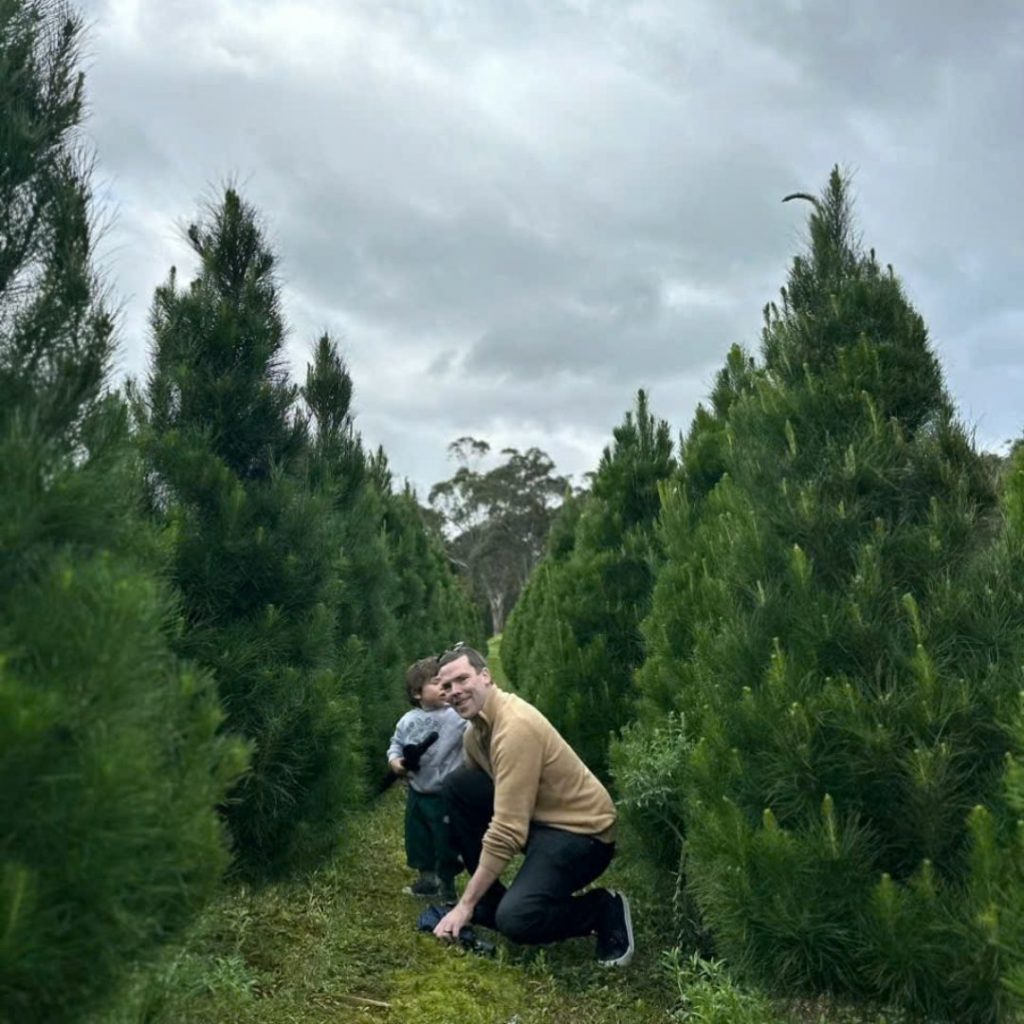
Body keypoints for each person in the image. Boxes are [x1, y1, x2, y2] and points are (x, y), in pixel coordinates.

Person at [431, 645, 634, 967]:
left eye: (462, 679)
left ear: (486, 676)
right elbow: (475, 803)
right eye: (446, 686)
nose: (455, 691)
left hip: (583, 834)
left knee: (517, 919)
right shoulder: (475, 734)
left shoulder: (514, 728)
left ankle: (600, 908)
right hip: (541, 822)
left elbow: (507, 829)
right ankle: (490, 898)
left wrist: (464, 905)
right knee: (458, 786)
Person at [387, 656, 467, 903]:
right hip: (418, 792)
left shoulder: (457, 716)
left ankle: (448, 886)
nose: (444, 688)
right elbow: (395, 746)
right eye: (436, 683)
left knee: (445, 841)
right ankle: (427, 880)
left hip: (445, 793)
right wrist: (395, 762)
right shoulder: (407, 721)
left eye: (446, 683)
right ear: (417, 692)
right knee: (418, 838)